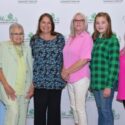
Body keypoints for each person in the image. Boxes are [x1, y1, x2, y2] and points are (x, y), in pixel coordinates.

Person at [30, 13, 66, 125]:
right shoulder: (34, 39)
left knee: (54, 116)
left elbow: (65, 57)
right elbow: (33, 60)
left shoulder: (60, 38)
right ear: (39, 24)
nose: (46, 25)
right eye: (43, 22)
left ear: (52, 24)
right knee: (39, 115)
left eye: (49, 22)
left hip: (56, 82)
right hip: (39, 83)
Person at [62, 12, 93, 125]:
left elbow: (84, 60)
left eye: (81, 20)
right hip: (70, 78)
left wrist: (66, 71)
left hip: (81, 78)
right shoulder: (70, 38)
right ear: (73, 23)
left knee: (80, 108)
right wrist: (64, 71)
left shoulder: (86, 38)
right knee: (73, 106)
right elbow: (66, 57)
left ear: (85, 23)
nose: (78, 22)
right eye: (76, 20)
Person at [0, 23, 33, 125]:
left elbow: (31, 69)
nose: (18, 36)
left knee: (21, 119)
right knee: (13, 113)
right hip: (9, 88)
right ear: (10, 35)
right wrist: (6, 86)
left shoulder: (27, 48)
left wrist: (32, 85)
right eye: (15, 34)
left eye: (21, 34)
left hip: (25, 90)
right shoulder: (3, 46)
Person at [90, 12, 119, 125]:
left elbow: (113, 65)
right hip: (96, 83)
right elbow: (94, 64)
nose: (100, 25)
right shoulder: (97, 40)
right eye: (97, 23)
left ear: (108, 24)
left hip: (106, 84)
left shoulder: (112, 40)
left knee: (105, 111)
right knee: (100, 111)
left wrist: (109, 85)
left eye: (103, 22)